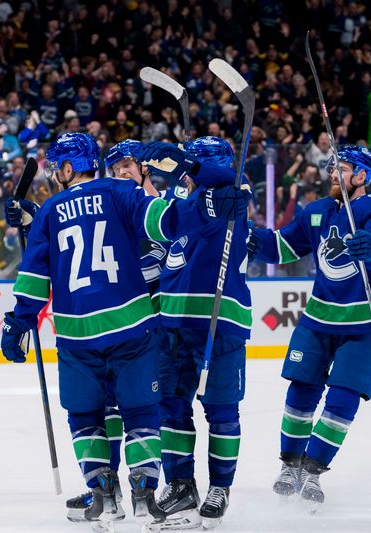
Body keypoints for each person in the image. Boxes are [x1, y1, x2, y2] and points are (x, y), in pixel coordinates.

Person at [0, 132, 248, 531]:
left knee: (85, 415)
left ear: (67, 168)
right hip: (133, 327)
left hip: (77, 335)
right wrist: (207, 210)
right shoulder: (121, 193)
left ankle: (102, 495)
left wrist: (19, 321)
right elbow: (166, 221)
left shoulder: (50, 209)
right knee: (141, 412)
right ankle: (145, 494)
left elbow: (34, 275)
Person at [248, 145, 371, 511]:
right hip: (317, 320)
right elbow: (283, 247)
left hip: (365, 324)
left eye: (342, 169)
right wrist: (248, 236)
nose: (332, 174)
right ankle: (290, 466)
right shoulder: (316, 211)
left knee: (343, 399)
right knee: (301, 392)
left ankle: (313, 470)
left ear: (362, 175)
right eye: (332, 168)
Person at [139, 137, 250, 529]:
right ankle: (181, 484)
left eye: (194, 165)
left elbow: (226, 179)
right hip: (173, 322)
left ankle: (220, 486)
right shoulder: (181, 202)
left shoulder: (232, 194)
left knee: (220, 411)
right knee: (170, 406)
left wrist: (190, 165)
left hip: (220, 321)